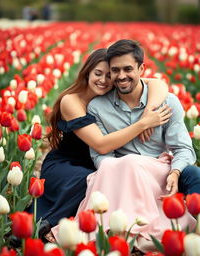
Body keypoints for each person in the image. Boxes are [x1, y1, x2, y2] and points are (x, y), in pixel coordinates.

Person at [52, 40, 200, 251]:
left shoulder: (166, 102)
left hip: (162, 172)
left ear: (141, 69)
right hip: (126, 175)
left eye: (128, 69)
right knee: (119, 166)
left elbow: (183, 148)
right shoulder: (98, 107)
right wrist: (123, 167)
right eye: (115, 70)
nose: (121, 76)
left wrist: (175, 172)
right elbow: (101, 155)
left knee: (193, 173)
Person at [30, 48, 170, 243]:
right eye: (98, 73)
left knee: (113, 182)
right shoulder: (72, 101)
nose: (103, 80)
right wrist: (143, 124)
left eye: (108, 75)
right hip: (66, 166)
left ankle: (120, 230)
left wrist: (149, 110)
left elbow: (159, 84)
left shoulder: (111, 94)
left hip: (99, 164)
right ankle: (45, 225)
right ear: (87, 72)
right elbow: (101, 145)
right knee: (91, 182)